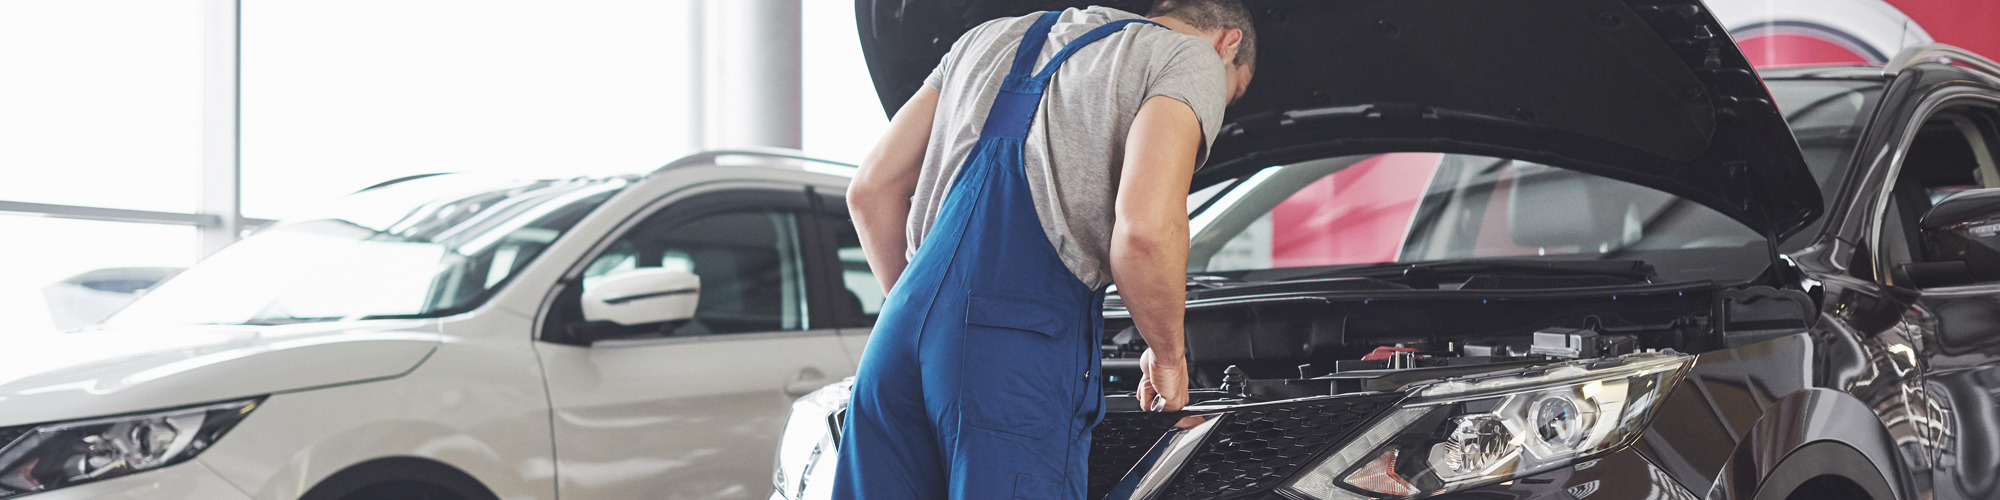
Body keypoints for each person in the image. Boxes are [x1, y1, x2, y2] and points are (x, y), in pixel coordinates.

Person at [835, 1, 1256, 498]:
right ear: (1228, 43)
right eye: (1234, 94)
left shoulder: (984, 38)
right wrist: (1168, 356)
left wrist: (931, 320)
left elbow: (870, 191)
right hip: (1015, 344)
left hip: (895, 340)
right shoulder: (1189, 56)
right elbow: (1144, 229)